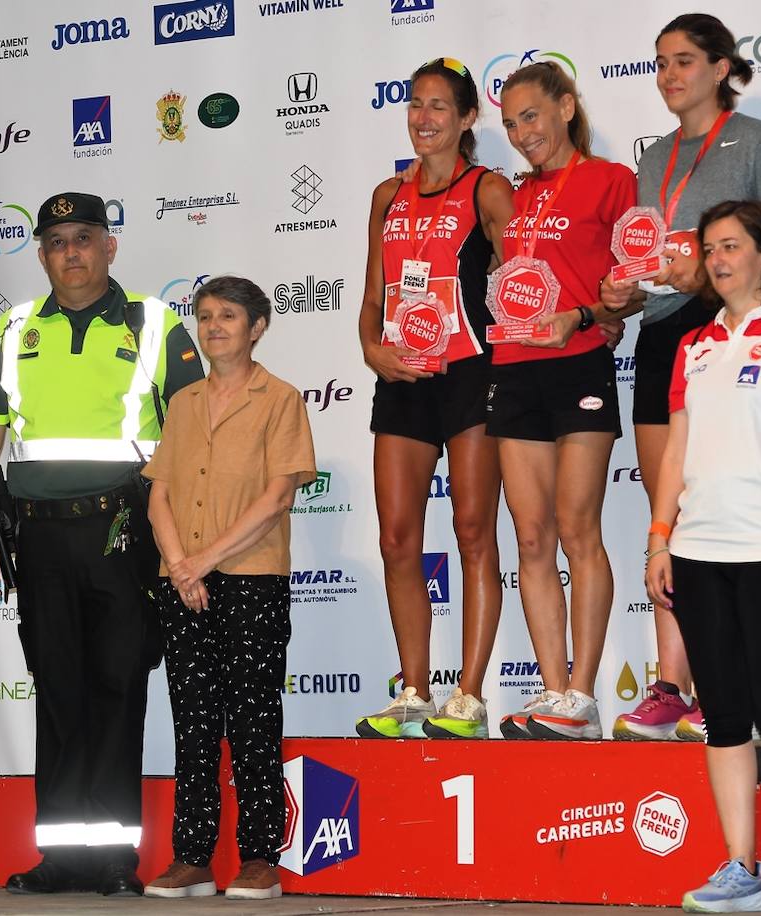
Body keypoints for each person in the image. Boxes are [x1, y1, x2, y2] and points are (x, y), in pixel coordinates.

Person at [0, 193, 203, 896]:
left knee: (119, 686)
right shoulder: (13, 328)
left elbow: (190, 435)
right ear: (41, 254)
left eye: (85, 238)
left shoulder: (155, 324)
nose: (72, 252)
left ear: (110, 247)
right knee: (58, 691)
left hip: (124, 533)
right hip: (38, 537)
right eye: (58, 241)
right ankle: (62, 857)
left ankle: (114, 859)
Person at [608, 12, 761, 743]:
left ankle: (716, 686)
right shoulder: (653, 158)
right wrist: (621, 294)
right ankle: (671, 685)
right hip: (665, 335)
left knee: (723, 508)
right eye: (660, 62)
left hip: (734, 340)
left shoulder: (756, 141)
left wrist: (709, 269)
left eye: (686, 61)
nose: (669, 75)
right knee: (669, 517)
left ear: (723, 67)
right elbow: (647, 266)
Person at [645, 200, 761, 915]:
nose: (718, 259)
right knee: (723, 716)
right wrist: (660, 537)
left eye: (731, 246)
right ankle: (740, 869)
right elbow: (674, 454)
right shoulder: (691, 346)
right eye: (710, 248)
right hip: (697, 553)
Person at [354, 57, 515, 739]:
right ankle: (413, 690)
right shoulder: (387, 195)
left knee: (474, 531)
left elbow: (519, 284)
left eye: (440, 107)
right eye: (416, 104)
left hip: (469, 376)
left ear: (468, 118)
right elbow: (371, 298)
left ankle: (469, 697)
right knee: (397, 539)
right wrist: (372, 349)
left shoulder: (489, 188)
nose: (424, 118)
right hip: (401, 378)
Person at [140, 277, 316, 900]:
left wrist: (203, 561)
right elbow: (158, 491)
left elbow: (277, 497)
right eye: (205, 315)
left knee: (252, 721)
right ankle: (191, 858)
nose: (214, 326)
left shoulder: (282, 399)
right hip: (180, 583)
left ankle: (260, 859)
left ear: (258, 326)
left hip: (250, 582)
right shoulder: (183, 401)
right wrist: (178, 563)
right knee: (192, 723)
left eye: (229, 316)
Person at [489, 61, 635, 740]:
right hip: (514, 367)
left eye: (533, 116)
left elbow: (629, 287)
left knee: (579, 530)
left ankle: (583, 692)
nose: (523, 133)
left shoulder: (611, 179)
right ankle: (554, 694)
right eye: (511, 123)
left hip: (578, 365)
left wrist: (584, 314)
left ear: (566, 107)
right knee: (529, 535)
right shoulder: (514, 195)